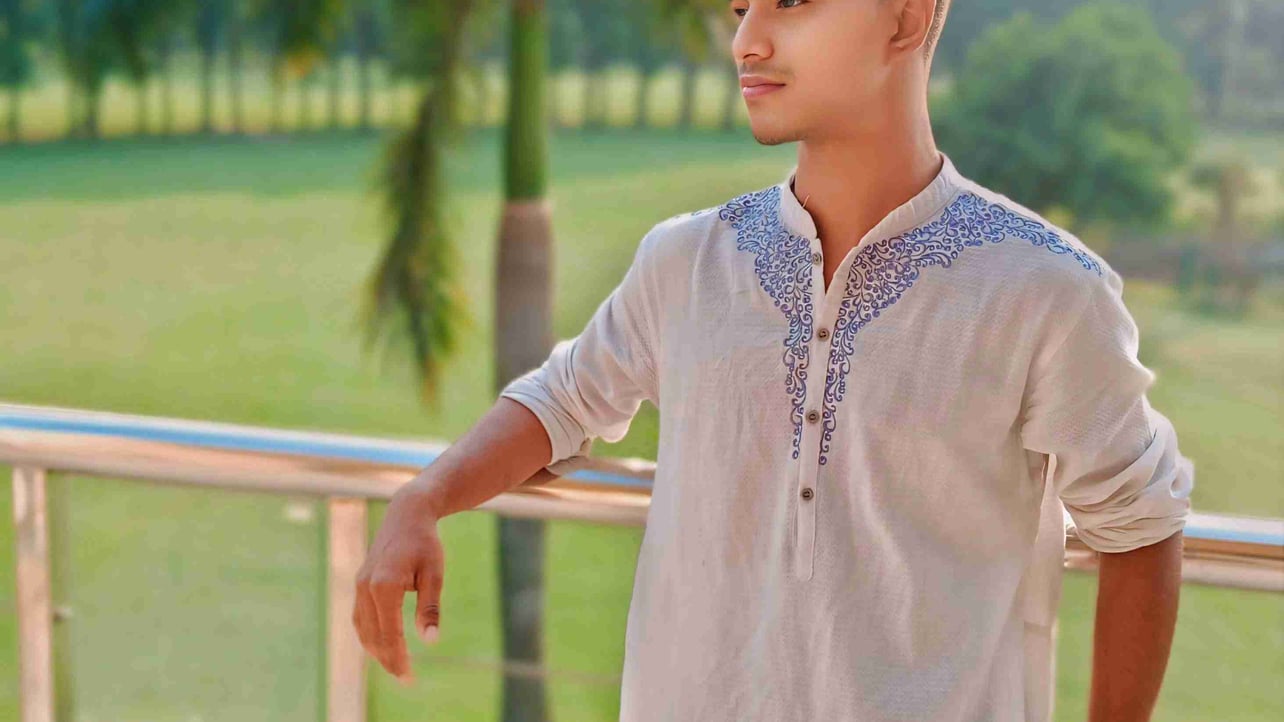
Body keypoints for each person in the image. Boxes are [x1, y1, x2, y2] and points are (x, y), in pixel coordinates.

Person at [351, 1, 1194, 720]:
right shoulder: (688, 261)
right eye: (739, 8)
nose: (747, 41)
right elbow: (563, 399)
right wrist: (425, 498)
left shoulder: (1044, 290)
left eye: (789, 1)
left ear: (906, 16)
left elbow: (1141, 526)